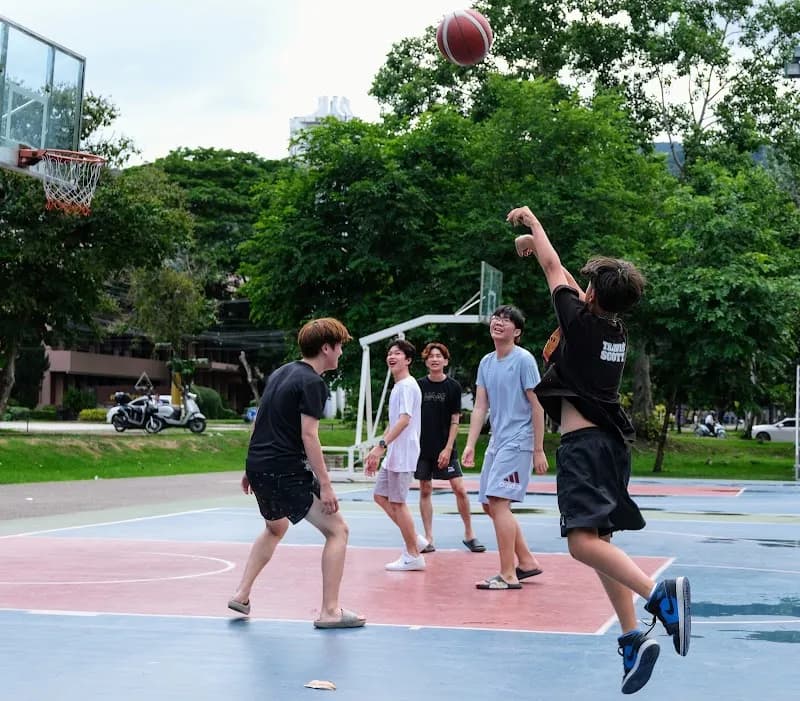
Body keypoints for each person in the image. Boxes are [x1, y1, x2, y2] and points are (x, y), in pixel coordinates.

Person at [508, 205, 690, 694]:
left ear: (590, 295)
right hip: (611, 445)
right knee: (601, 545)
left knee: (580, 544)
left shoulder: (583, 323)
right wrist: (542, 250)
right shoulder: (612, 329)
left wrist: (533, 224)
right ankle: (632, 639)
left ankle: (660, 595)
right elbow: (566, 280)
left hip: (584, 447)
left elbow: (554, 271)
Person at [228, 317, 366, 630]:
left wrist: (251, 467)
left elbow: (261, 421)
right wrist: (327, 486)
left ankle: (242, 593)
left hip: (262, 465)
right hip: (284, 469)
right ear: (326, 348)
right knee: (338, 531)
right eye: (340, 347)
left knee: (275, 528)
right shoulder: (313, 383)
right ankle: (330, 610)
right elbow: (309, 435)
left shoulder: (281, 373)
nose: (341, 353)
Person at [462, 304, 549, 590]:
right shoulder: (487, 362)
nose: (499, 322)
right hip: (498, 442)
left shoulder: (523, 360)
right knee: (489, 503)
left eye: (507, 320)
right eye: (497, 318)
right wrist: (471, 444)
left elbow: (538, 405)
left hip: (519, 440)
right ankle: (526, 562)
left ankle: (508, 574)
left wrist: (538, 448)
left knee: (499, 502)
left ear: (517, 332)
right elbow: (480, 406)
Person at [415, 342, 485, 553]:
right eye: (431, 356)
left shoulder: (453, 387)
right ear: (426, 361)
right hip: (422, 448)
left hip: (445, 446)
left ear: (445, 361)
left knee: (460, 489)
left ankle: (469, 534)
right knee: (425, 489)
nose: (435, 359)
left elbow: (455, 420)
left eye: (439, 356)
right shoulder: (418, 385)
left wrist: (447, 448)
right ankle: (428, 537)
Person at [365, 339, 428, 571]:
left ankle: (413, 555)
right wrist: (378, 450)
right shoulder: (399, 386)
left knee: (398, 503)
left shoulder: (408, 386)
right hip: (394, 453)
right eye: (390, 353)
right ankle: (415, 539)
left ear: (408, 360)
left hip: (404, 453)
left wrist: (381, 445)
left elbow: (404, 420)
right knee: (380, 496)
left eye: (398, 353)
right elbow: (394, 423)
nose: (392, 356)